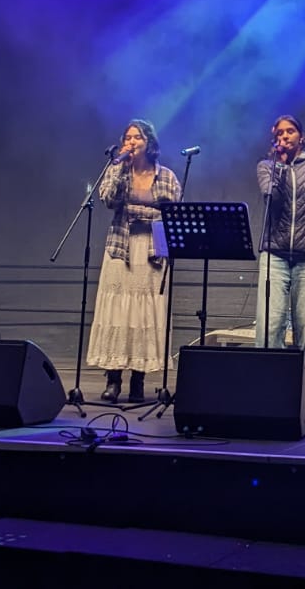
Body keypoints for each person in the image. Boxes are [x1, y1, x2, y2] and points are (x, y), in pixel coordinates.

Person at [89, 119, 182, 403]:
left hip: (152, 249)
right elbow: (107, 199)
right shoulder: (117, 169)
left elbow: (174, 212)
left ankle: (138, 381)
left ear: (148, 142)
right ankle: (113, 379)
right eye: (127, 137)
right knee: (117, 312)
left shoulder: (166, 176)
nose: (131, 142)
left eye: (137, 137)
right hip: (122, 246)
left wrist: (139, 210)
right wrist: (119, 168)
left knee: (144, 313)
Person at [256, 115, 305, 390]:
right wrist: (279, 165)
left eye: (290, 131)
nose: (285, 136)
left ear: (301, 136)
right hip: (274, 255)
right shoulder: (266, 167)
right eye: (280, 133)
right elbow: (272, 199)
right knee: (268, 331)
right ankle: (270, 392)